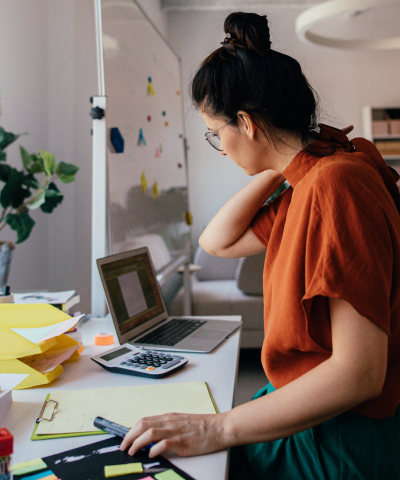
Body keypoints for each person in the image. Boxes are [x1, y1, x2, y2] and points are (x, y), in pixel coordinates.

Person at [121, 12, 400, 479]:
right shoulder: (308, 182)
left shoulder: (335, 185)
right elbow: (217, 241)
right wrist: (280, 160)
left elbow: (360, 373)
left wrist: (218, 429)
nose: (221, 145)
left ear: (245, 123)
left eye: (216, 133)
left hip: (345, 433)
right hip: (314, 407)